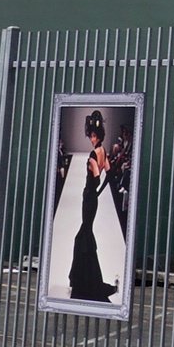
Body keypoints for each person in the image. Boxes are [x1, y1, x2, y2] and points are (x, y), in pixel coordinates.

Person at [66, 110, 122, 304]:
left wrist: (93, 189)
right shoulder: (104, 152)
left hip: (88, 198)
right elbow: (110, 172)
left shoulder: (92, 154)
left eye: (91, 136)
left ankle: (86, 280)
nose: (90, 139)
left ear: (95, 135)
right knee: (84, 236)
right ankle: (84, 277)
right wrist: (98, 191)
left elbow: (97, 177)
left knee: (83, 236)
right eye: (90, 136)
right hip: (93, 198)